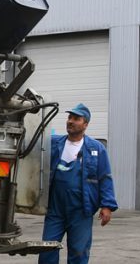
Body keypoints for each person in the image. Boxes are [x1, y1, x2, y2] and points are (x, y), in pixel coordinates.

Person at [38, 103, 118, 264]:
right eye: (69, 117)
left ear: (86, 124)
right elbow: (33, 143)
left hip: (81, 210)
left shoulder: (96, 149)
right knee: (47, 250)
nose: (70, 121)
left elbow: (105, 178)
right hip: (55, 209)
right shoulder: (54, 143)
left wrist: (107, 206)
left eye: (76, 118)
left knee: (79, 252)